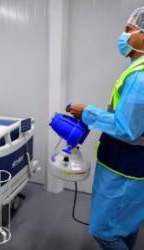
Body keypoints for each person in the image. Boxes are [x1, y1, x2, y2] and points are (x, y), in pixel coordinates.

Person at [68, 7, 144, 250]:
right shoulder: (135, 71)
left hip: (125, 165)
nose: (123, 37)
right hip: (128, 161)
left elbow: (127, 128)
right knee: (127, 224)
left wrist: (87, 113)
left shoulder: (140, 78)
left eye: (128, 30)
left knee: (103, 231)